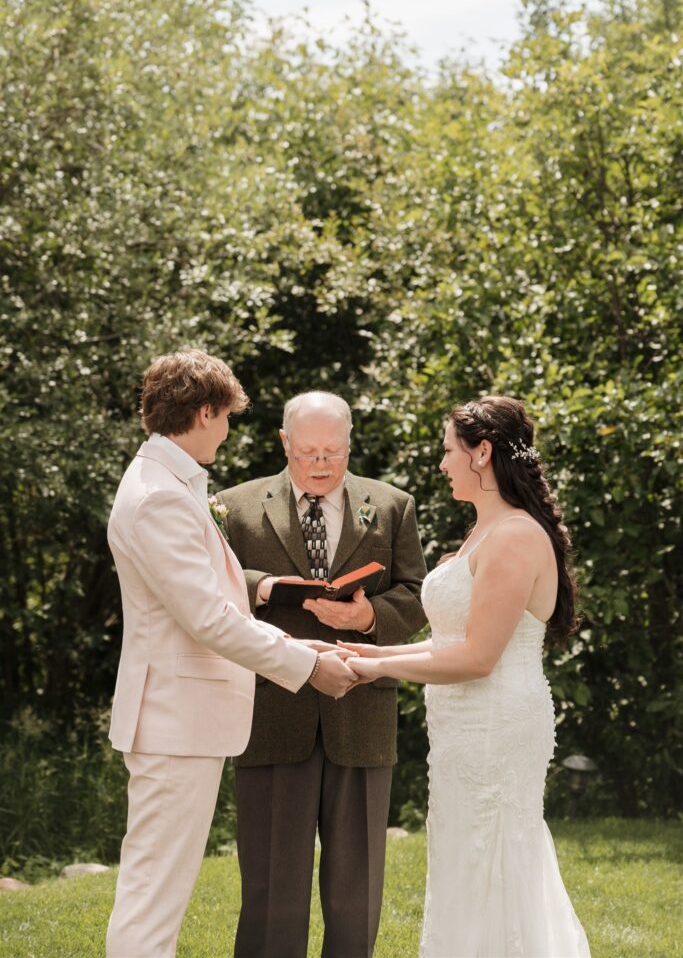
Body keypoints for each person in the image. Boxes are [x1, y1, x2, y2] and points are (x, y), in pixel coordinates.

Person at [105, 352, 356, 958]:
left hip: (180, 721)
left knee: (160, 888)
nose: (228, 430)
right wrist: (307, 666)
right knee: (153, 896)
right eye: (227, 418)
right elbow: (209, 619)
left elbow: (213, 602)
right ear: (204, 410)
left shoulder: (168, 482)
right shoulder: (159, 497)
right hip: (173, 721)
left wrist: (300, 642)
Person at [344, 396, 591, 958]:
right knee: (462, 854)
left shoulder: (515, 537)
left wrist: (371, 670)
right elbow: (452, 641)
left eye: (448, 450)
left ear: (481, 453)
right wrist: (367, 657)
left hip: (496, 726)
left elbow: (478, 657)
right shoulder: (484, 534)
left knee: (492, 855)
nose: (441, 463)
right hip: (463, 729)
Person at [216, 390, 427, 958]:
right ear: (284, 442)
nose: (320, 464)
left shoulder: (391, 506)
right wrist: (267, 585)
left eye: (333, 452)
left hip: (361, 711)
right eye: (308, 451)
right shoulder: (231, 507)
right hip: (271, 709)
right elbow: (212, 589)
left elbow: (418, 596)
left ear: (350, 444)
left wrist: (369, 615)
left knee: (355, 886)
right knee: (269, 885)